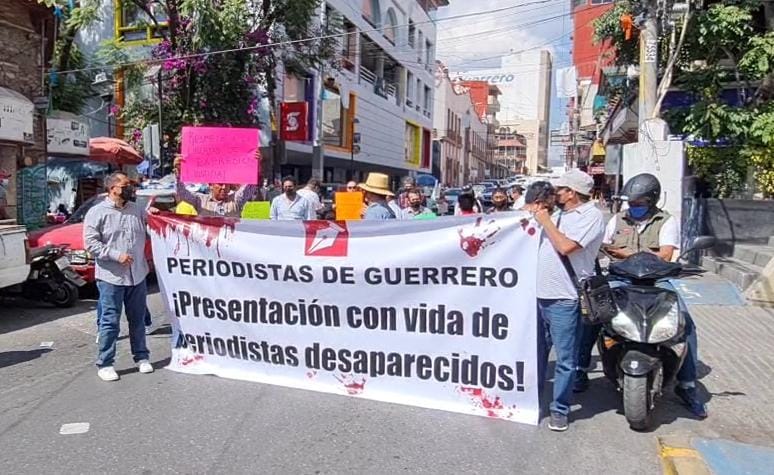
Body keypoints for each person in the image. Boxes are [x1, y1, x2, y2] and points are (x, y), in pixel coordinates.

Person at [577, 173, 707, 418]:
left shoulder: (666, 221)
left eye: (639, 203)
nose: (633, 207)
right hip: (621, 279)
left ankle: (687, 385)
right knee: (594, 316)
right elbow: (603, 247)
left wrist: (624, 253)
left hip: (657, 282)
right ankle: (580, 369)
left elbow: (666, 255)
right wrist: (626, 253)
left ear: (651, 200)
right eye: (631, 203)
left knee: (685, 324)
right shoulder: (618, 219)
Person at [533, 169, 604, 431]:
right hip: (539, 295)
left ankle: (559, 409)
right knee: (536, 353)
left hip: (565, 298)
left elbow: (566, 247)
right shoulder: (557, 214)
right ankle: (533, 399)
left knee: (564, 358)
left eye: (559, 189)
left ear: (572, 192)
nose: (555, 193)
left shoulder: (591, 216)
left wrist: (546, 222)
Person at [84, 172, 154, 382]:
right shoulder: (97, 212)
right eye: (126, 185)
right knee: (110, 322)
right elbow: (90, 244)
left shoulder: (138, 210)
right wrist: (116, 255)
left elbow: (152, 229)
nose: (130, 188)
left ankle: (141, 356)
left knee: (138, 319)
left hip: (137, 275)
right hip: (111, 277)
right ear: (113, 188)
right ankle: (105, 363)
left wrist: (157, 218)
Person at [173, 155, 257, 217]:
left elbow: (249, 187)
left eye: (226, 184)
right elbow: (182, 193)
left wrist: (255, 164)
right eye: (220, 184)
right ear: (210, 185)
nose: (224, 187)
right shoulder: (200, 201)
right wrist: (178, 174)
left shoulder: (236, 200)